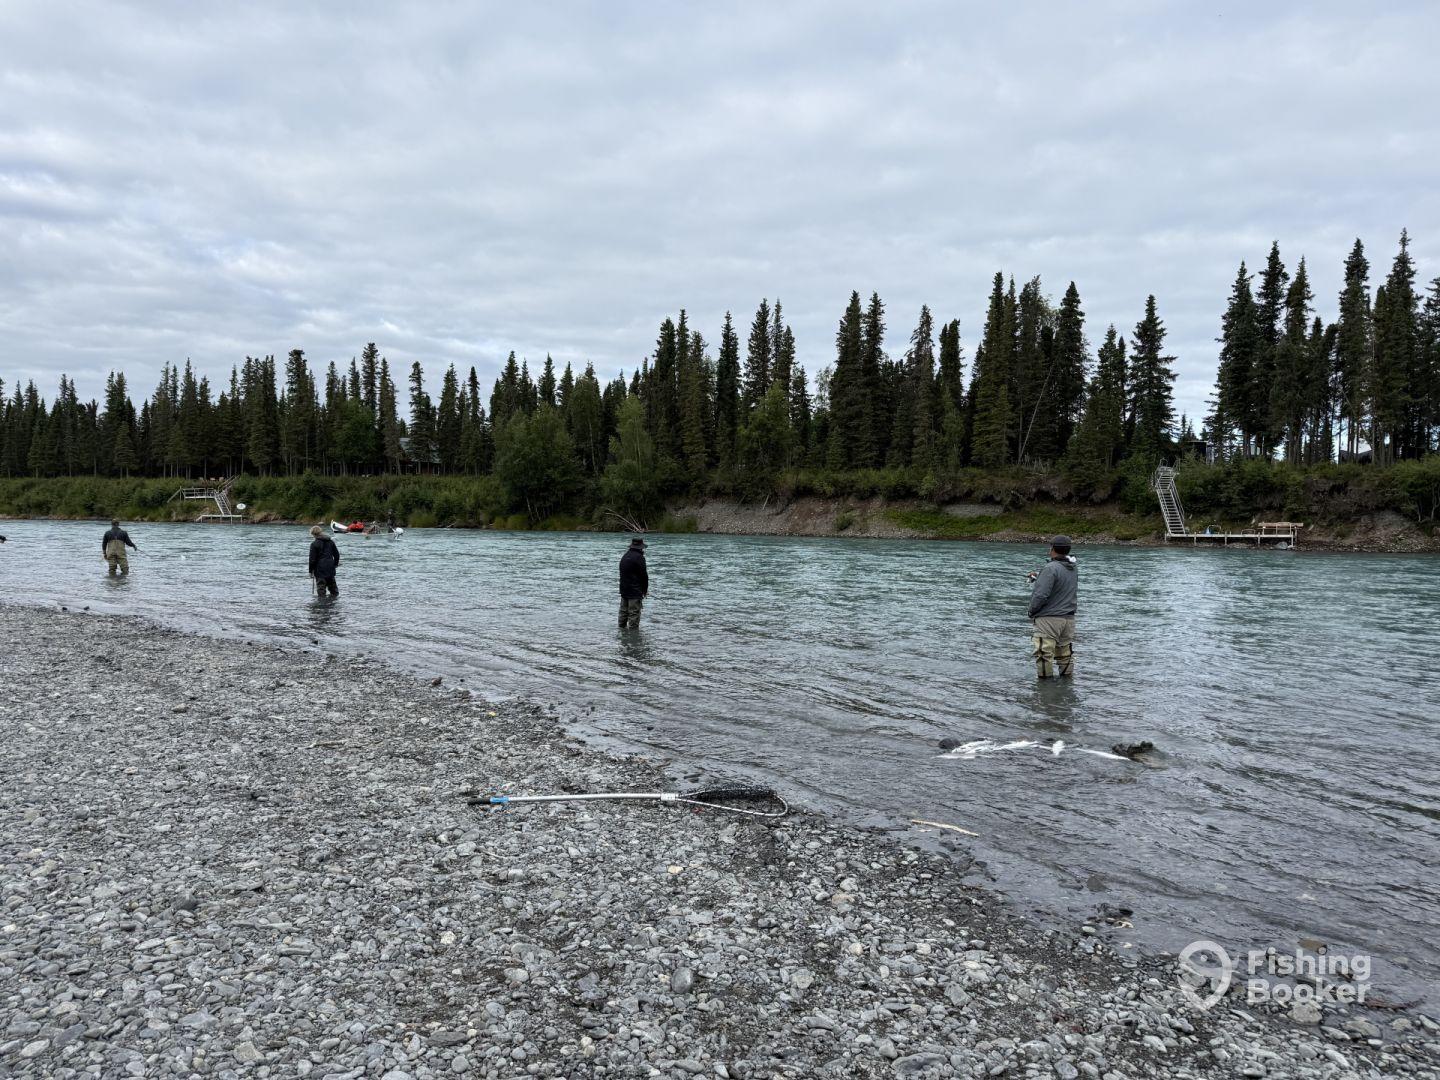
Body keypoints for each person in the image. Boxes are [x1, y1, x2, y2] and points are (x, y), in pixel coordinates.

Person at [1027, 534, 1078, 678]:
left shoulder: (1050, 568)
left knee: (1044, 654)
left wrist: (1031, 611)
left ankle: (1045, 690)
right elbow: (1059, 581)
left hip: (1049, 619)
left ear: (1052, 549)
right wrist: (1039, 576)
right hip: (1068, 620)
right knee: (1065, 655)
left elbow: (1040, 595)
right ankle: (1066, 686)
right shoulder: (1073, 568)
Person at [618, 535, 648, 629]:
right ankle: (633, 638)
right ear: (641, 548)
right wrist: (644, 590)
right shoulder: (639, 558)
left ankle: (621, 631)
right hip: (635, 592)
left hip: (624, 589)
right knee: (634, 614)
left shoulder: (625, 556)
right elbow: (644, 576)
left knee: (623, 612)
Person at [308, 524, 341, 597]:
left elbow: (312, 560)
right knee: (334, 590)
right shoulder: (330, 541)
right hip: (330, 567)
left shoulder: (314, 544)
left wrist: (311, 571)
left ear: (313, 534)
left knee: (321, 590)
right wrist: (335, 564)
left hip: (320, 569)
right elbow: (337, 555)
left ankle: (322, 606)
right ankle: (334, 604)